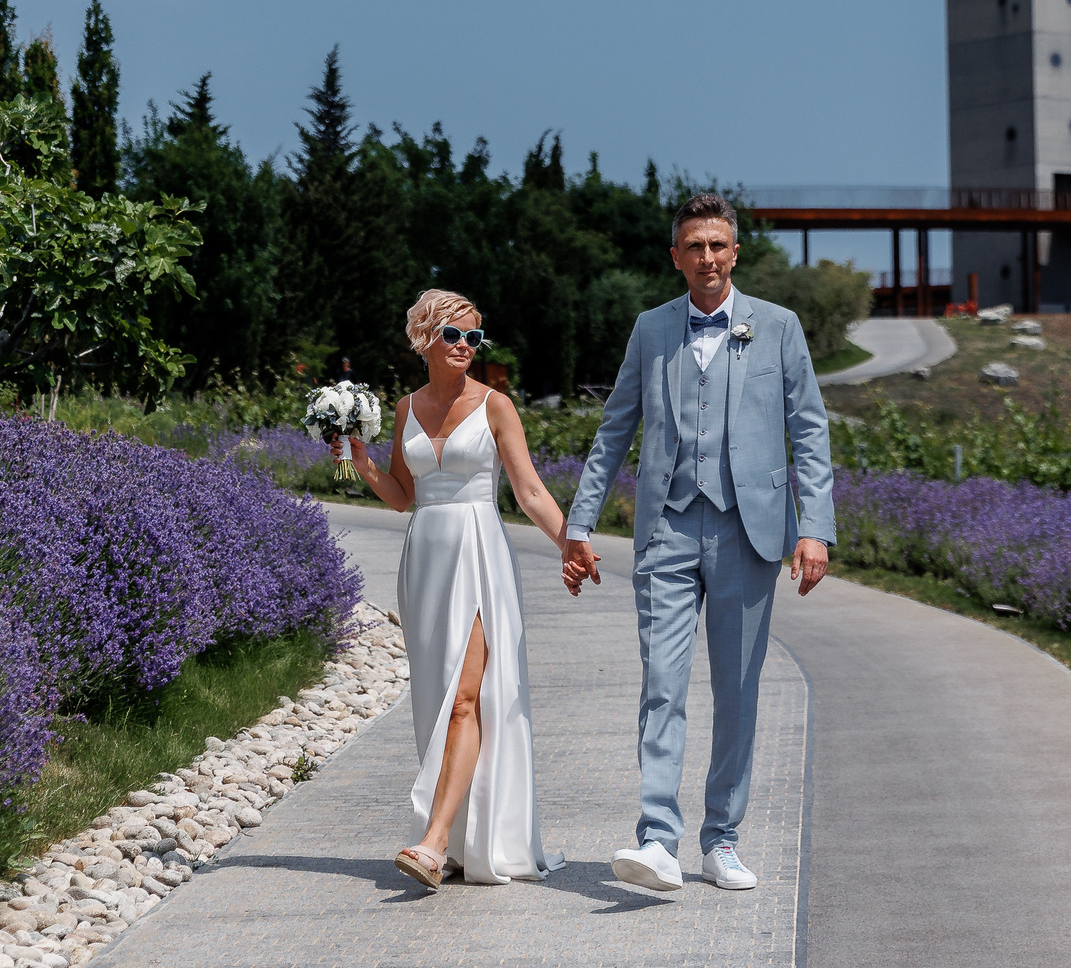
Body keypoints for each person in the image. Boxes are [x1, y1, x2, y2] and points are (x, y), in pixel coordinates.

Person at [561, 193, 836, 893]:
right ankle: (657, 837)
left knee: (738, 688)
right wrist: (579, 523)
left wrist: (814, 527)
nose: (708, 258)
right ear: (676, 255)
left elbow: (809, 429)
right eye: (695, 246)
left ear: (734, 252)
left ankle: (721, 838)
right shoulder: (652, 329)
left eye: (718, 245)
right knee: (663, 683)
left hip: (751, 528)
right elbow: (615, 429)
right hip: (666, 529)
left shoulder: (778, 326)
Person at [338, 290, 567, 890]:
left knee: (467, 698)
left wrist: (572, 543)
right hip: (426, 561)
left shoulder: (496, 406)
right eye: (453, 335)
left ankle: (435, 843)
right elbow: (403, 495)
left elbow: (531, 492)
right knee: (437, 701)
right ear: (424, 340)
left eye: (473, 337)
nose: (465, 345)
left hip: (479, 552)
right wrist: (360, 462)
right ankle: (464, 837)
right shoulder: (404, 407)